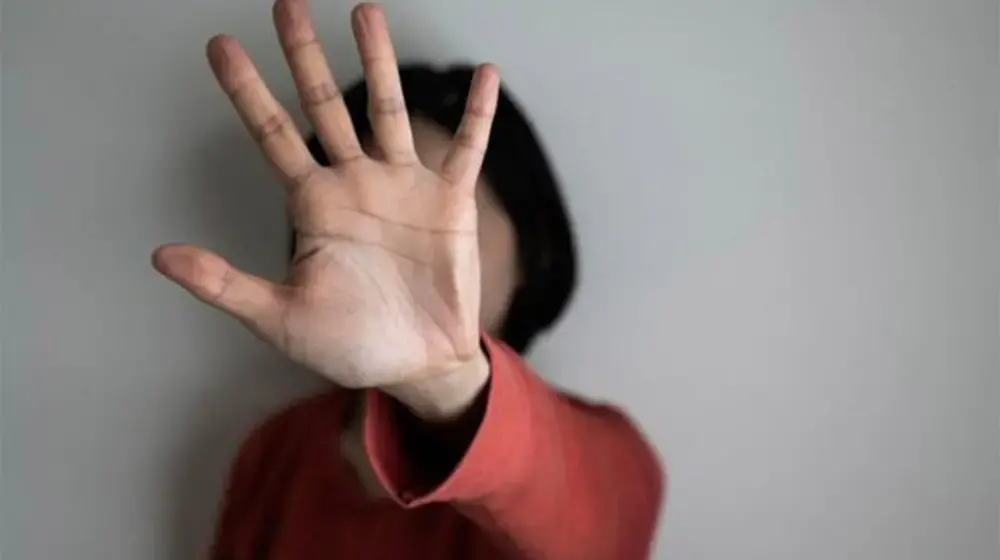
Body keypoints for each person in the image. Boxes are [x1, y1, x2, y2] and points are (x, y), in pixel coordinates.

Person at [151, 1, 665, 558]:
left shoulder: (602, 460)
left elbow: (600, 533)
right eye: (363, 225)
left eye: (445, 219)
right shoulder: (276, 451)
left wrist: (442, 376)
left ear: (533, 253)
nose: (390, 257)